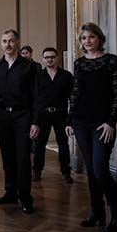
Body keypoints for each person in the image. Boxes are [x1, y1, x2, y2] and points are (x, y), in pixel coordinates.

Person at [66, 23, 117, 232]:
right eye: (84, 38)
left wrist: (111, 121)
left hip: (103, 123)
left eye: (91, 37)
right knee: (90, 169)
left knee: (100, 167)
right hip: (81, 122)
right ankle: (97, 212)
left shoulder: (112, 61)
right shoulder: (79, 63)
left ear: (99, 38)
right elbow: (75, 93)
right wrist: (69, 120)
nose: (87, 41)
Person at [0, 29, 39, 215]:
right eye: (4, 41)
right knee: (7, 157)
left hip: (22, 116)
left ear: (17, 42)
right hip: (2, 116)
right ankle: (10, 192)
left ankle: (25, 197)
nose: (7, 45)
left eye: (10, 41)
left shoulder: (29, 66)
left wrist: (35, 122)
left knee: (23, 158)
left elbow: (36, 96)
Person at [32, 47, 73, 183]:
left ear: (57, 58)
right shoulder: (38, 76)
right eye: (47, 57)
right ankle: (37, 171)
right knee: (40, 144)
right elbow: (35, 99)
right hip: (43, 114)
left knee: (63, 144)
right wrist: (35, 121)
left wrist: (70, 120)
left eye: (52, 57)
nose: (49, 60)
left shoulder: (66, 76)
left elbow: (72, 98)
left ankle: (66, 172)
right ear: (43, 59)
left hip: (61, 113)